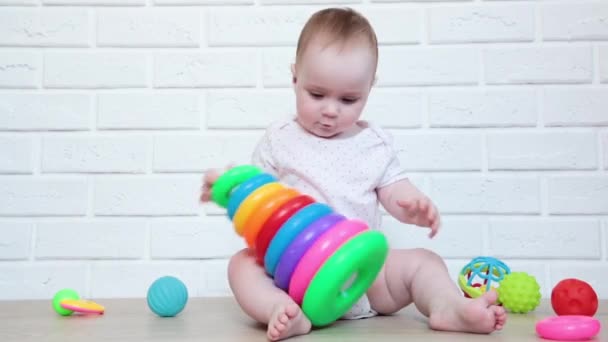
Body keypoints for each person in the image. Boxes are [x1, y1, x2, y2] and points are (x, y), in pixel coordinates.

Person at [200, 7, 507, 341]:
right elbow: (256, 192)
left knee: (424, 261)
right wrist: (226, 186)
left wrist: (412, 205)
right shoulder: (280, 138)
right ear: (295, 79)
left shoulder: (373, 143)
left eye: (349, 99)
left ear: (369, 90)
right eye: (316, 94)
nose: (330, 110)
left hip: (365, 275)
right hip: (293, 276)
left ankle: (448, 306)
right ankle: (282, 310)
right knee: (241, 266)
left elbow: (394, 192)